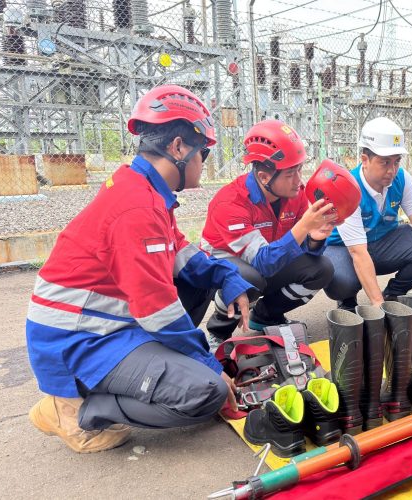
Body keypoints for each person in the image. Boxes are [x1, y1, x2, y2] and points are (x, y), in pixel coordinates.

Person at [26, 85, 255, 453]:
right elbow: (157, 309)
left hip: (103, 324)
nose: (204, 161)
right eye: (204, 151)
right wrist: (207, 366)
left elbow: (181, 253)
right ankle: (77, 410)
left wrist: (225, 276)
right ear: (179, 148)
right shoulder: (137, 207)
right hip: (79, 340)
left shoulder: (145, 188)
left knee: (196, 282)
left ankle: (157, 369)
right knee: (206, 392)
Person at [200, 120, 339, 335]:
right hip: (223, 263)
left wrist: (314, 238)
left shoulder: (295, 194)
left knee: (322, 268)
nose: (298, 180)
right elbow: (262, 263)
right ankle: (219, 331)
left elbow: (299, 249)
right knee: (249, 278)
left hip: (267, 256)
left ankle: (265, 316)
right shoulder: (230, 203)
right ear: (264, 177)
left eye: (299, 170)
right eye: (290, 174)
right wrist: (303, 227)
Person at [324, 117, 412, 310]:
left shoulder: (402, 178)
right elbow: (358, 252)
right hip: (344, 248)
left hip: (381, 242)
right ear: (365, 160)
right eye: (385, 162)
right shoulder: (348, 188)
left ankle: (393, 294)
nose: (392, 170)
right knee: (343, 282)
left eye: (396, 162)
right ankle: (348, 299)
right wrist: (377, 305)